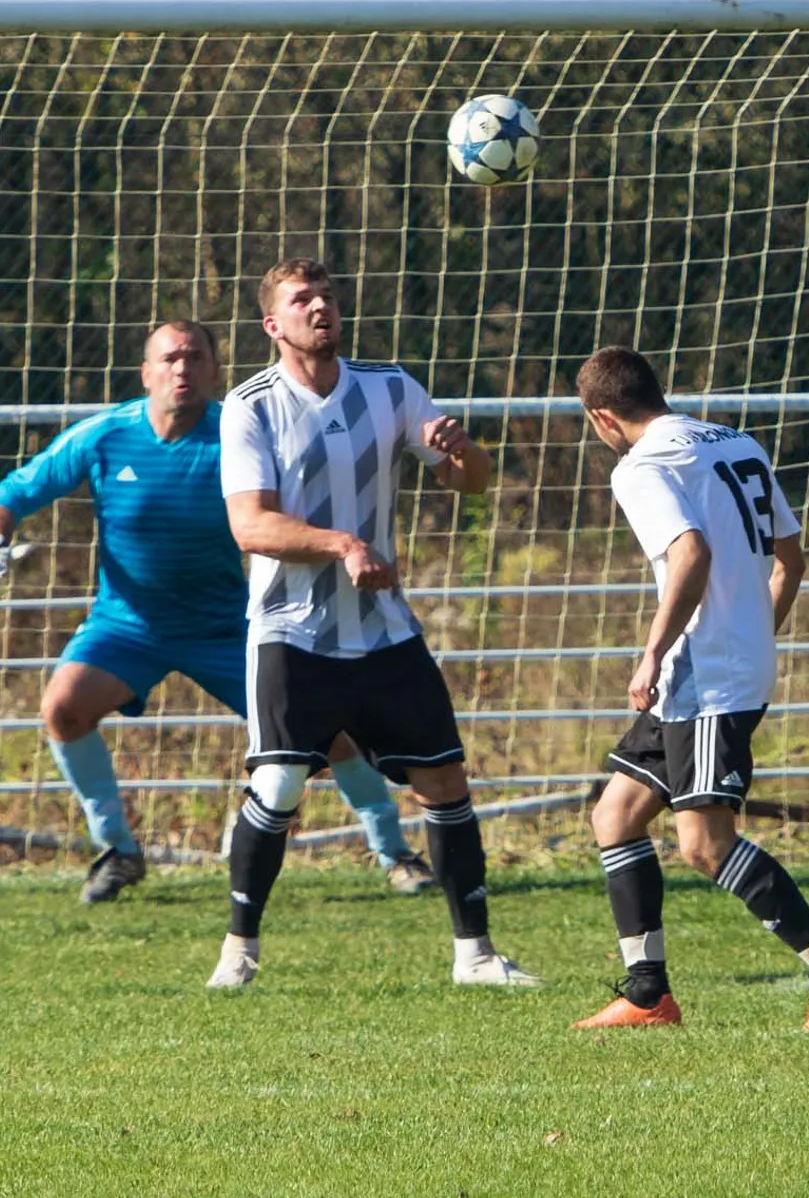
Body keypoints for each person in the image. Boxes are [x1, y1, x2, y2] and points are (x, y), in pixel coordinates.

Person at [0, 320, 429, 904]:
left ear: (214, 369)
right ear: (146, 372)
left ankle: (395, 853)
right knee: (63, 710)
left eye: (195, 358)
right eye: (170, 358)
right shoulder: (104, 435)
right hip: (126, 625)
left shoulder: (237, 430)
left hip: (229, 625)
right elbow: (16, 493)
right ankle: (117, 851)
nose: (183, 369)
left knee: (328, 736)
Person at [207, 257, 536, 989]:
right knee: (282, 788)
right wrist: (344, 544)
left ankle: (476, 956)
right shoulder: (250, 405)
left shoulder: (390, 388)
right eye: (302, 300)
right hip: (290, 630)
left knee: (445, 780)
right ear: (273, 324)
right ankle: (239, 949)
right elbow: (250, 526)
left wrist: (461, 454)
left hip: (384, 629)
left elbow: (472, 481)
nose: (320, 308)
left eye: (327, 296)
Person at [568, 346, 809, 1032]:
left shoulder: (642, 467)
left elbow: (691, 553)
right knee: (615, 816)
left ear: (602, 418)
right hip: (710, 668)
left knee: (705, 845)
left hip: (707, 676)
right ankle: (648, 994)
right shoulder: (736, 441)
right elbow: (790, 559)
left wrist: (651, 651)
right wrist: (753, 634)